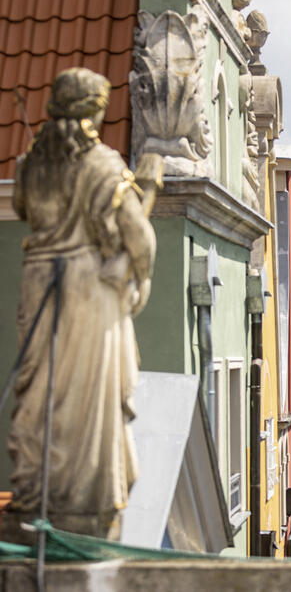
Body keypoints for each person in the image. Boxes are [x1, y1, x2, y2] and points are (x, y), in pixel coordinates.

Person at [8, 68, 157, 540]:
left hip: (38, 281)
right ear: (95, 109)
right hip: (88, 290)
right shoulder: (104, 165)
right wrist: (139, 278)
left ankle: (38, 491)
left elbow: (22, 208)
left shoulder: (33, 163)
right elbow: (140, 239)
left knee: (42, 390)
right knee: (90, 396)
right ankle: (88, 500)